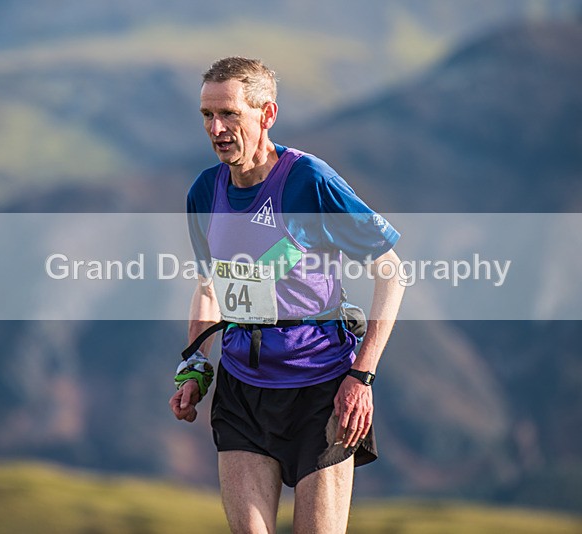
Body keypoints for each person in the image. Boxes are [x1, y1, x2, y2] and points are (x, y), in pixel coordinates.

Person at [169, 56, 405, 534]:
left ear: (267, 114)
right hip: (242, 390)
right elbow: (209, 286)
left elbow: (392, 273)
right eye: (207, 115)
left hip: (320, 389)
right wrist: (195, 365)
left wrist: (362, 376)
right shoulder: (204, 192)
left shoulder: (309, 181)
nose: (216, 128)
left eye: (229, 114)